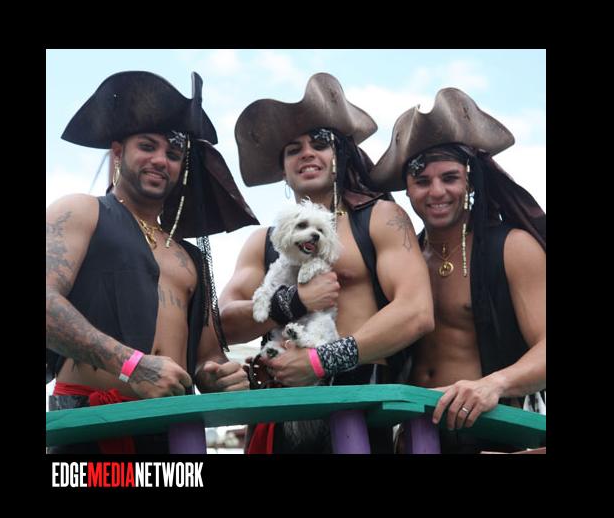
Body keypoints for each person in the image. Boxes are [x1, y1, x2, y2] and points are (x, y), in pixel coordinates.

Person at [46, 71, 259, 454]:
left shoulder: (191, 257)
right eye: (147, 146)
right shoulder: (81, 211)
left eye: (173, 155)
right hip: (90, 422)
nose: (161, 160)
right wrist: (131, 365)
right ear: (117, 152)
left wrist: (217, 375)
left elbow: (207, 355)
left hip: (174, 428)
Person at [220, 73, 434, 453]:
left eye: (320, 143)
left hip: (358, 404)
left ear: (340, 156)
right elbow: (222, 324)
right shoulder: (262, 241)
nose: (307, 153)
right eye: (293, 149)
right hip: (281, 406)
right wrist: (293, 301)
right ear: (283, 169)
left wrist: (322, 360)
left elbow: (416, 312)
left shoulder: (381, 218)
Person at [369, 87, 546, 453]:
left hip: (494, 432)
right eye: (422, 181)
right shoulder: (402, 260)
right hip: (415, 435)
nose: (436, 191)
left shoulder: (513, 247)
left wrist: (494, 383)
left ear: (470, 182)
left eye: (449, 178)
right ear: (407, 190)